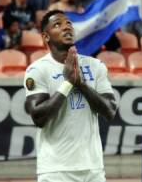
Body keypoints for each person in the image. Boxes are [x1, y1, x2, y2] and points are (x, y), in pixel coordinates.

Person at [24, 10, 117, 182]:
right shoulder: (37, 70)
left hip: (93, 168)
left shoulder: (95, 66)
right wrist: (68, 84)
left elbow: (110, 111)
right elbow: (38, 118)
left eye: (68, 23)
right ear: (46, 37)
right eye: (57, 25)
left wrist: (81, 84)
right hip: (56, 170)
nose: (66, 27)